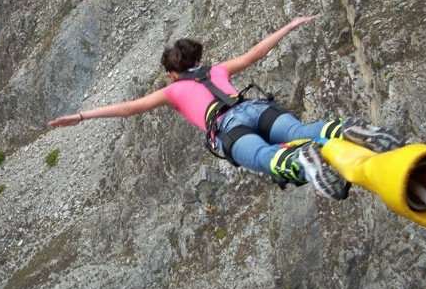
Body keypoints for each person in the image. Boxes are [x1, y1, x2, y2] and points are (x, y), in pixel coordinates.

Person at [48, 16, 404, 200]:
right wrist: (289, 26)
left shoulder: (172, 91)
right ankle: (339, 130)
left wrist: (81, 117)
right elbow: (257, 53)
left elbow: (128, 109)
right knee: (300, 131)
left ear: (172, 73)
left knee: (266, 159)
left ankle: (300, 161)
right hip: (253, 107)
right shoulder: (217, 70)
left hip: (226, 127)